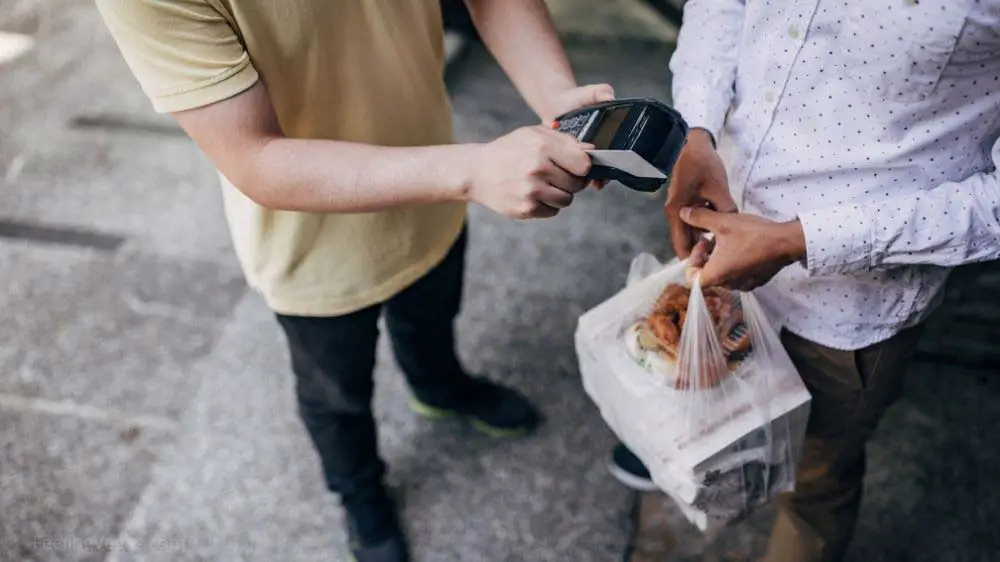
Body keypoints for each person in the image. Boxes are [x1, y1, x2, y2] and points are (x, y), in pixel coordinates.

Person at [93, 1, 613, 560]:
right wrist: (469, 170)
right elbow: (254, 155)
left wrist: (556, 96)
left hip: (438, 184)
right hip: (313, 241)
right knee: (336, 394)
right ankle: (358, 491)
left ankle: (440, 389)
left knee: (434, 314)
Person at [609, 2, 1000, 561]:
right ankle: (687, 449)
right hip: (720, 222)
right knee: (697, 400)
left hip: (851, 301)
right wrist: (695, 127)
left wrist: (801, 239)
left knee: (818, 474)